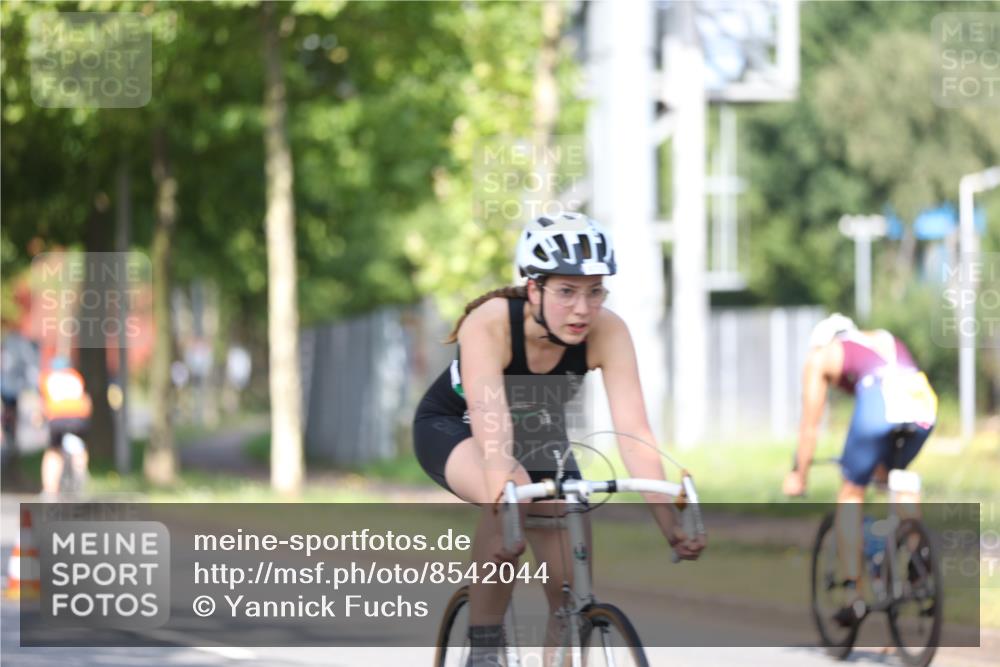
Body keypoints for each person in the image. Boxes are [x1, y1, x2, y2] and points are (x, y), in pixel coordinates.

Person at [413, 212, 704, 665]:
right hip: (458, 426)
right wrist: (506, 505)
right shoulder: (488, 324)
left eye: (594, 291)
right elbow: (492, 427)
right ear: (534, 289)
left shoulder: (607, 331)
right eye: (567, 292)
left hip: (538, 436)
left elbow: (633, 431)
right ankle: (484, 648)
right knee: (512, 485)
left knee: (568, 583)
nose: (583, 309)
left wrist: (670, 524)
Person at [783, 313, 937, 626]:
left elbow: (810, 425)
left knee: (850, 492)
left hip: (880, 402)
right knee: (893, 478)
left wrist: (799, 473)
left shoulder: (821, 353)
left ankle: (854, 592)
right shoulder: (885, 337)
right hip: (921, 403)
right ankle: (918, 562)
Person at [39, 356, 92, 496]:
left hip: (57, 417)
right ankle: (80, 469)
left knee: (53, 451)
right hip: (78, 417)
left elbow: (44, 403)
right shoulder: (76, 377)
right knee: (80, 447)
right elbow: (86, 399)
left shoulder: (48, 378)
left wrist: (39, 418)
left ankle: (50, 489)